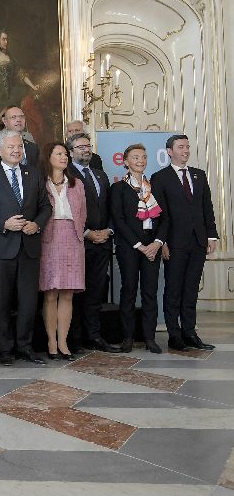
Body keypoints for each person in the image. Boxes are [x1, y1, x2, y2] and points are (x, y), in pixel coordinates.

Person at [0, 130, 51, 365]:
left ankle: (25, 347)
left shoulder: (35, 174)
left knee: (29, 302)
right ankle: (5, 350)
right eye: (11, 147)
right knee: (2, 302)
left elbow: (46, 207)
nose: (16, 151)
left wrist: (36, 225)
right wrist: (4, 224)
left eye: (19, 147)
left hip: (29, 247)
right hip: (3, 248)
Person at [152, 135, 218, 351]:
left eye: (187, 146)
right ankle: (174, 334)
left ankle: (190, 332)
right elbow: (159, 215)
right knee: (173, 289)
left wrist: (211, 236)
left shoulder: (199, 175)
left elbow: (207, 207)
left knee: (191, 288)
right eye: (181, 147)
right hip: (174, 242)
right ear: (169, 151)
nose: (186, 150)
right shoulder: (160, 177)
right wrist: (163, 243)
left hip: (198, 241)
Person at [110, 144, 166, 353]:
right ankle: (128, 338)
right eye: (135, 157)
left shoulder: (154, 187)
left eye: (143, 157)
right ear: (125, 162)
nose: (140, 160)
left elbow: (165, 219)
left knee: (150, 292)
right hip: (130, 247)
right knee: (129, 291)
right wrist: (139, 245)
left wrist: (157, 243)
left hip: (153, 247)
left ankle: (150, 338)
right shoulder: (119, 188)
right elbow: (119, 220)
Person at [68, 132, 119, 353]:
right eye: (80, 147)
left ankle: (95, 336)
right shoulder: (66, 175)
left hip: (103, 242)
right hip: (79, 241)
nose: (85, 150)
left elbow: (109, 207)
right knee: (78, 293)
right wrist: (88, 232)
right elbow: (67, 210)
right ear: (70, 152)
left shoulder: (100, 175)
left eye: (88, 146)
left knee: (97, 292)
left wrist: (108, 230)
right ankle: (76, 339)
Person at [38, 142, 86, 361]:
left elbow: (83, 213)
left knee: (67, 293)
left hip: (72, 239)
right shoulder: (41, 183)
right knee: (50, 293)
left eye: (66, 154)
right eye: (59, 153)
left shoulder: (77, 184)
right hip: (49, 238)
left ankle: (63, 341)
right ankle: (51, 341)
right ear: (48, 157)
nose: (64, 157)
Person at [0, 29, 40, 126]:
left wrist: (33, 86)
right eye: (3, 39)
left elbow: (21, 75)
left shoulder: (11, 58)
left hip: (12, 94)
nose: (6, 42)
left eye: (7, 39)